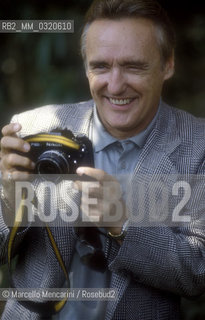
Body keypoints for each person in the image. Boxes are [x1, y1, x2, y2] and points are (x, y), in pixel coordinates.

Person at [0, 0, 205, 319]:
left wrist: (123, 222)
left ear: (168, 65)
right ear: (86, 67)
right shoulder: (32, 130)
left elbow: (199, 272)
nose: (115, 84)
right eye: (100, 66)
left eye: (134, 66)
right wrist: (11, 198)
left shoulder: (199, 145)